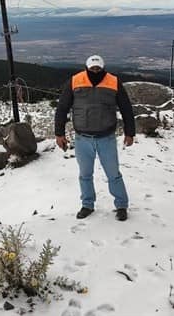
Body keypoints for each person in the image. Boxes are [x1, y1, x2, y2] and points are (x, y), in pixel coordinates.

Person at [54, 54, 135, 221]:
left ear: (103, 68)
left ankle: (121, 205)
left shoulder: (113, 81)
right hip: (82, 138)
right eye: (92, 68)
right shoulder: (75, 80)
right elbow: (62, 108)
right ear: (87, 68)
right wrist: (59, 133)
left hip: (106, 138)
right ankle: (87, 204)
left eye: (98, 68)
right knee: (85, 174)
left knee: (113, 174)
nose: (95, 70)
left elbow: (126, 108)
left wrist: (130, 133)